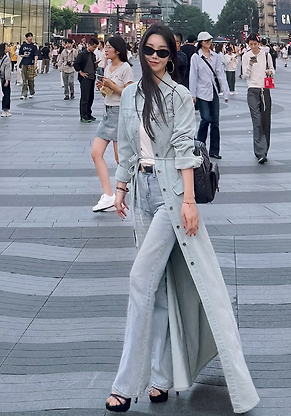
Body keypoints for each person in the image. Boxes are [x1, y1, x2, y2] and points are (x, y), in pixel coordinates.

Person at [106, 23, 259, 415]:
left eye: (162, 52)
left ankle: (125, 384)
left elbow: (185, 150)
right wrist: (120, 187)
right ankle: (160, 378)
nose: (155, 57)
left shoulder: (179, 96)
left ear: (172, 56)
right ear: (141, 52)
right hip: (140, 191)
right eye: (149, 50)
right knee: (156, 288)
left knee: (140, 279)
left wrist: (189, 201)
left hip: (170, 196)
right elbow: (126, 145)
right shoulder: (130, 95)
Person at [91, 36, 134, 213]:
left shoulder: (126, 68)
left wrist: (113, 86)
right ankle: (108, 195)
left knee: (120, 158)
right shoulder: (107, 68)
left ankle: (123, 193)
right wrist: (103, 88)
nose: (105, 50)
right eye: (105, 47)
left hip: (119, 113)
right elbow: (108, 94)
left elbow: (129, 94)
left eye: (109, 47)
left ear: (118, 50)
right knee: (96, 153)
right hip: (107, 112)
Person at [189, 31, 229, 160]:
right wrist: (192, 94)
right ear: (200, 42)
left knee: (215, 122)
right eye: (205, 41)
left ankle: (214, 150)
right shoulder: (196, 57)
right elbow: (193, 76)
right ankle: (200, 147)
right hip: (201, 92)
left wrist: (226, 91)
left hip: (213, 91)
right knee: (205, 119)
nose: (208, 42)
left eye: (209, 40)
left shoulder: (215, 56)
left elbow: (220, 74)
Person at [242, 34, 274, 164]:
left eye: (255, 44)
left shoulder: (266, 55)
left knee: (266, 120)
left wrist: (270, 72)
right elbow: (245, 75)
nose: (253, 46)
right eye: (251, 44)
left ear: (259, 43)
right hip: (252, 89)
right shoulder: (246, 56)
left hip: (264, 89)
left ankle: (265, 149)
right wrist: (250, 64)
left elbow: (272, 69)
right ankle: (260, 152)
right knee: (257, 120)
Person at [74, 37, 99, 122]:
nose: (94, 49)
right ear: (89, 45)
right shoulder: (82, 54)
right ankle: (83, 115)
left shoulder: (93, 55)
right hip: (85, 78)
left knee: (90, 97)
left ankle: (88, 114)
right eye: (94, 47)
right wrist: (80, 72)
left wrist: (96, 64)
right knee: (85, 98)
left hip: (92, 77)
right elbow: (76, 64)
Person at [19, 32, 39, 99]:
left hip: (31, 64)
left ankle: (31, 92)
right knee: (24, 79)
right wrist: (23, 55)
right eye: (29, 36)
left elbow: (36, 55)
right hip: (24, 63)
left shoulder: (34, 46)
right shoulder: (23, 45)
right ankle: (24, 94)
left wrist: (35, 63)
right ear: (26, 38)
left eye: (31, 36)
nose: (30, 38)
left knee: (31, 79)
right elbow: (20, 54)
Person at [0, 43, 12, 117]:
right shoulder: (6, 58)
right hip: (4, 78)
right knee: (6, 94)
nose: (8, 48)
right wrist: (7, 79)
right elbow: (7, 69)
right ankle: (5, 110)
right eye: (7, 47)